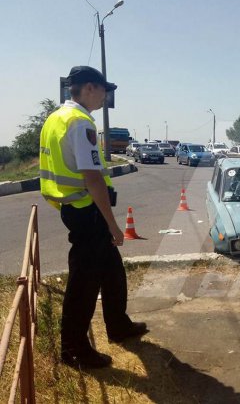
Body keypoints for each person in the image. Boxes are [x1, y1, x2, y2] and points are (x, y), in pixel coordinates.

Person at [39, 66, 147, 369]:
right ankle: (74, 348)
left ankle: (118, 325)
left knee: (112, 271)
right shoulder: (80, 122)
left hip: (76, 209)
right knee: (84, 282)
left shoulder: (56, 118)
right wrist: (113, 225)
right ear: (89, 88)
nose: (105, 96)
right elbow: (92, 178)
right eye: (103, 90)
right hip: (88, 212)